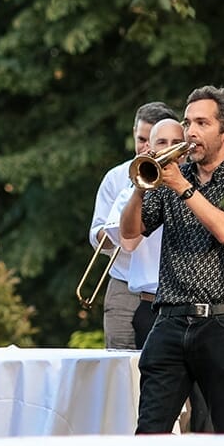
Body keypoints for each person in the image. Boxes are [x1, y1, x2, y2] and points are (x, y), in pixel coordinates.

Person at [119, 87, 224, 434]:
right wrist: (140, 186)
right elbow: (129, 234)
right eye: (187, 122)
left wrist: (182, 185)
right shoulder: (169, 179)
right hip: (170, 319)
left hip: (222, 322)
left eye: (202, 122)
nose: (190, 132)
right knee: (150, 428)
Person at [115, 118, 213, 434]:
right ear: (148, 147)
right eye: (161, 144)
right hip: (154, 309)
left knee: (204, 411)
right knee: (156, 411)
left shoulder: (204, 186)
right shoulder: (137, 187)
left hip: (201, 308)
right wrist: (140, 190)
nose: (169, 150)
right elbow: (127, 240)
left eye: (176, 143)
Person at [88, 102, 175, 349]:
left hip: (169, 289)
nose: (146, 148)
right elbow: (97, 235)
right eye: (141, 139)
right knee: (120, 365)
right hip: (125, 284)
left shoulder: (183, 179)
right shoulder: (116, 177)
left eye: (153, 141)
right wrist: (116, 228)